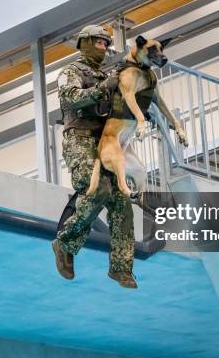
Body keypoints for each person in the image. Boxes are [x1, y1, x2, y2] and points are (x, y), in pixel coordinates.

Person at [52, 24, 138, 289]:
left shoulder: (107, 75)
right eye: (99, 42)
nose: (104, 47)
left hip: (106, 143)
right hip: (80, 140)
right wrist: (106, 87)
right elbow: (72, 98)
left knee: (121, 204)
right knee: (96, 190)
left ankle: (121, 268)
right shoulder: (71, 72)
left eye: (106, 43)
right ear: (85, 42)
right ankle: (65, 243)